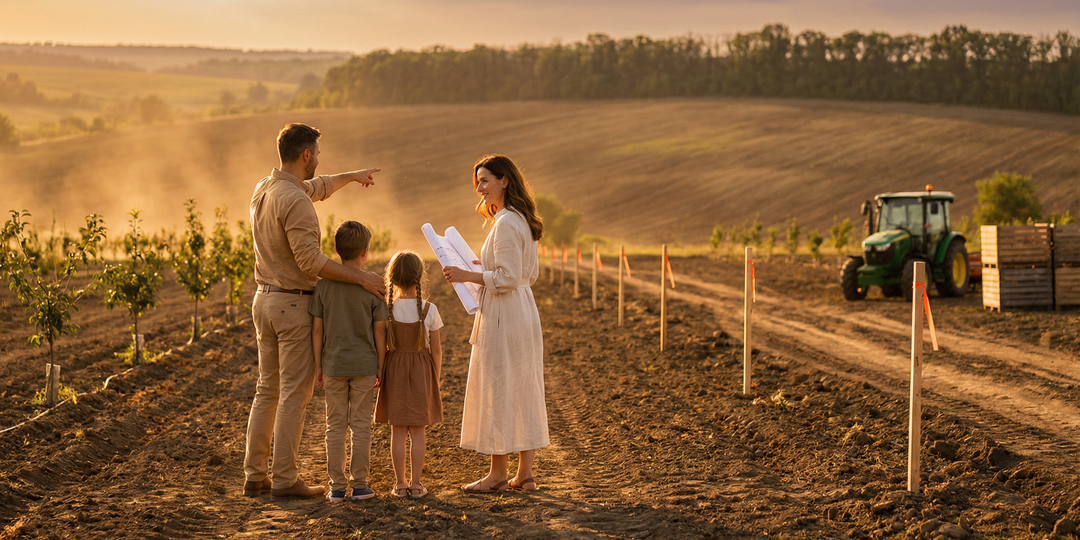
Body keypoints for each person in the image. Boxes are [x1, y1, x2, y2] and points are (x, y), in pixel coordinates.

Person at [243, 123, 386, 500]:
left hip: (263, 300)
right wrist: (360, 278)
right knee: (294, 394)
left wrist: (352, 177)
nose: (319, 160)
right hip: (292, 304)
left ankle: (255, 475)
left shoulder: (266, 187)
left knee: (266, 391)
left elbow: (318, 186)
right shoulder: (296, 202)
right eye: (317, 154)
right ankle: (286, 479)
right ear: (306, 154)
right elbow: (309, 260)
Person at [443, 154, 548, 493]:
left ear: (505, 180)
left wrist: (465, 274)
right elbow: (520, 274)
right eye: (478, 181)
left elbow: (505, 276)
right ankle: (526, 475)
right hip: (522, 309)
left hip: (505, 310)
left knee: (499, 387)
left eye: (485, 180)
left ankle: (499, 474)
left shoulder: (505, 222)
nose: (479, 187)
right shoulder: (521, 219)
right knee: (523, 385)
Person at [310, 221, 388, 502]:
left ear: (335, 250)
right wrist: (381, 365)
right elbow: (380, 331)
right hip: (365, 365)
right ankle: (361, 484)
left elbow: (317, 329)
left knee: (335, 425)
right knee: (361, 425)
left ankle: (337, 487)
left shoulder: (324, 287)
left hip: (333, 365)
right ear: (365, 252)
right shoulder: (374, 285)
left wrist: (319, 365)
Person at [374, 250, 444, 499]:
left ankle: (400, 484)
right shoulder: (429, 309)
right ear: (420, 277)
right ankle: (416, 484)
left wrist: (380, 373)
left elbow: (381, 347)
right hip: (421, 371)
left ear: (391, 278)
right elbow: (436, 350)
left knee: (397, 431)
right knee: (418, 431)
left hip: (393, 370)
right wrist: (433, 378)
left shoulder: (386, 309)